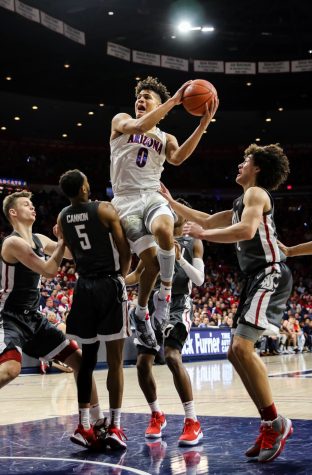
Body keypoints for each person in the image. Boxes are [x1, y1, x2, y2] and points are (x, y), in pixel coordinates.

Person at [160, 143, 293, 463]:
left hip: (269, 273)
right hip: (254, 278)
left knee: (242, 349)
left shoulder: (256, 195)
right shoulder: (240, 200)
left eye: (245, 160)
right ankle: (269, 423)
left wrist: (202, 235)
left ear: (258, 168)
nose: (240, 165)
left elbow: (246, 230)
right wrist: (170, 202)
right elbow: (207, 219)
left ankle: (276, 423)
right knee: (234, 352)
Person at [110, 76, 218, 350]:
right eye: (140, 96)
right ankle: (141, 309)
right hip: (125, 202)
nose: (141, 100)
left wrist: (203, 123)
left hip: (152, 195)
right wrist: (174, 100)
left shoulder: (166, 137)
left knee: (164, 230)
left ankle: (165, 294)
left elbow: (178, 157)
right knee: (150, 261)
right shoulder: (121, 120)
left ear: (158, 105)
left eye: (148, 97)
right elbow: (139, 125)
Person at [0, 191, 102, 437]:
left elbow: (68, 254)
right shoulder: (12, 243)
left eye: (33, 204)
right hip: (9, 316)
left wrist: (74, 234)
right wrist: (64, 242)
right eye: (26, 204)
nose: (32, 207)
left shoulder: (39, 239)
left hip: (34, 318)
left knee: (80, 361)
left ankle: (95, 425)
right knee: (11, 370)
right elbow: (48, 269)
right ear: (13, 213)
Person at [58, 169, 131, 450]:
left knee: (87, 360)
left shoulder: (63, 216)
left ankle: (84, 425)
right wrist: (121, 278)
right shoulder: (104, 209)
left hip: (83, 287)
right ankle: (115, 426)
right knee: (115, 360)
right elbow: (124, 250)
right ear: (85, 188)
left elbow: (70, 249)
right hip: (109, 284)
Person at [125, 199, 205, 446]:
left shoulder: (194, 242)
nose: (174, 214)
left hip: (179, 303)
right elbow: (136, 276)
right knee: (141, 364)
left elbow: (200, 280)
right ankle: (156, 414)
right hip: (151, 302)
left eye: (179, 211)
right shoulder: (154, 243)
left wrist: (180, 259)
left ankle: (192, 420)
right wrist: (114, 280)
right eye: (172, 210)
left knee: (171, 356)